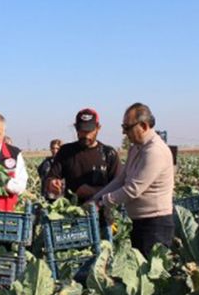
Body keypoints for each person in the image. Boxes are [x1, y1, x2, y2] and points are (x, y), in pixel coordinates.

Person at [93, 103, 174, 256]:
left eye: (127, 127)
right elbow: (121, 179)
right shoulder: (136, 148)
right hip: (139, 223)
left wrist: (102, 202)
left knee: (151, 276)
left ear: (143, 125)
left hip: (155, 225)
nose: (124, 132)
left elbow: (133, 189)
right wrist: (95, 198)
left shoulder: (155, 151)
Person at [45, 108, 120, 204]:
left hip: (102, 212)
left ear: (98, 128)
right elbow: (51, 176)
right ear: (76, 128)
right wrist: (52, 183)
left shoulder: (109, 154)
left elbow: (118, 186)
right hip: (72, 211)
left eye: (89, 131)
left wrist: (93, 191)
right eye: (82, 130)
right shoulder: (65, 151)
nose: (86, 135)